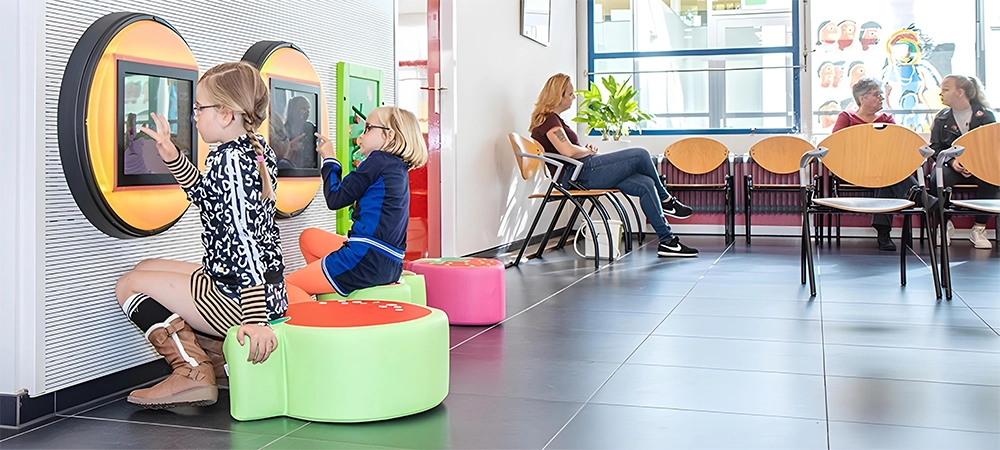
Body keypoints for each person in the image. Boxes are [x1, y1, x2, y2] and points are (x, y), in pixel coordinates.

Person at [114, 62, 287, 409]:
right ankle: (220, 361)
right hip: (258, 289)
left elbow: (244, 239)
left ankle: (192, 371)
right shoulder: (251, 150)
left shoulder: (230, 161)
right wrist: (172, 156)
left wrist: (255, 319)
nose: (193, 116)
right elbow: (208, 198)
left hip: (242, 300)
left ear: (225, 114)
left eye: (198, 108)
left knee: (128, 285)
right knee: (144, 267)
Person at [529, 73, 698, 257]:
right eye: (570, 94)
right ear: (558, 96)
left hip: (583, 171)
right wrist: (586, 151)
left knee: (646, 184)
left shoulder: (553, 120)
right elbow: (568, 151)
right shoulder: (550, 120)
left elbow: (568, 150)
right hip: (579, 175)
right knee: (640, 154)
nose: (574, 97)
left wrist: (584, 150)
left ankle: (668, 242)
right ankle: (667, 201)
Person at [284, 107, 427, 302]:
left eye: (368, 128)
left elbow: (336, 198)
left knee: (287, 286)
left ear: (389, 135)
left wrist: (330, 160)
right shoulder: (395, 166)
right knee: (309, 238)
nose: (361, 135)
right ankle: (328, 293)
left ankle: (319, 316)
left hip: (365, 259)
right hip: (388, 262)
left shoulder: (377, 160)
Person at [831, 77, 932, 251]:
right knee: (888, 174)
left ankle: (884, 232)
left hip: (882, 169)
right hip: (852, 169)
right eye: (876, 95)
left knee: (886, 175)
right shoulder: (847, 117)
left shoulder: (887, 119)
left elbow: (897, 146)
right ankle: (919, 196)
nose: (881, 98)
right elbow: (835, 145)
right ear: (862, 98)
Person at [930, 74, 998, 250]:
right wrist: (952, 161)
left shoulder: (985, 116)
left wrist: (973, 164)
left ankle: (979, 228)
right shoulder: (941, 118)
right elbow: (935, 148)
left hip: (980, 165)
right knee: (937, 178)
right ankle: (944, 225)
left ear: (960, 92)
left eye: (946, 89)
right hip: (951, 165)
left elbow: (991, 147)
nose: (941, 93)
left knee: (992, 178)